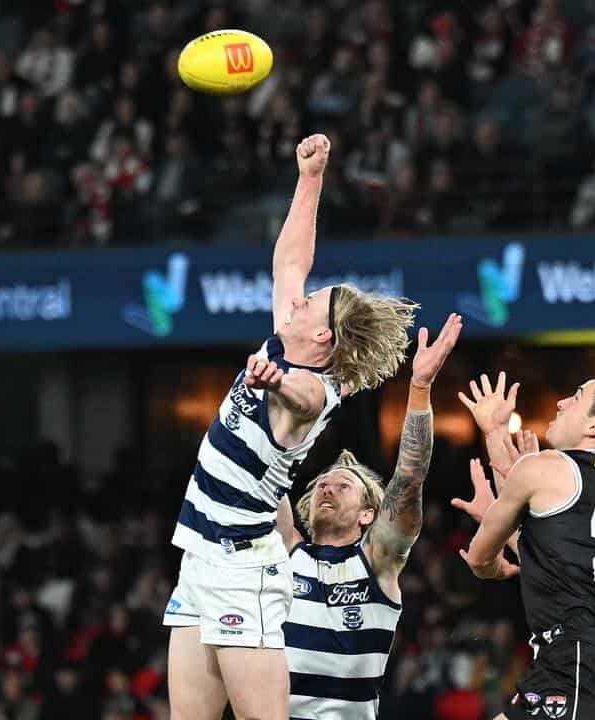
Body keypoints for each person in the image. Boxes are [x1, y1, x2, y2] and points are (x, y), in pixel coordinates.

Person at [162, 134, 419, 720]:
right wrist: (310, 178)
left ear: (323, 337)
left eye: (311, 304)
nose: (298, 302)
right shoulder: (288, 338)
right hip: (200, 557)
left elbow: (300, 399)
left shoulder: (313, 387)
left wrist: (274, 381)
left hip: (242, 567)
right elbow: (289, 261)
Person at [273, 312, 462, 719]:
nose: (328, 487)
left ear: (368, 515)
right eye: (324, 484)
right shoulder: (287, 550)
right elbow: (264, 466)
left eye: (344, 486)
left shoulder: (378, 561)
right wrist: (285, 368)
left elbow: (409, 478)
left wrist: (420, 387)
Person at [458, 368, 595, 720]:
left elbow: (478, 558)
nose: (562, 401)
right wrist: (494, 432)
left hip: (576, 659)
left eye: (577, 396)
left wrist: (492, 561)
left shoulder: (548, 467)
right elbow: (551, 551)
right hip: (583, 660)